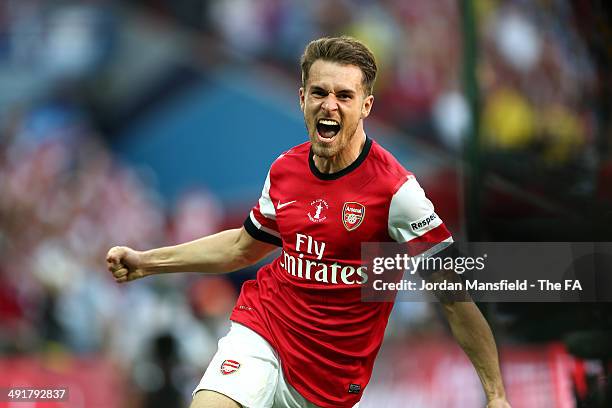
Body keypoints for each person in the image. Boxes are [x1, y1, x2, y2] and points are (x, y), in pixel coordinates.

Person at [107, 36, 511, 408]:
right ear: (302, 98)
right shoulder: (286, 169)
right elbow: (240, 248)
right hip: (262, 333)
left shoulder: (396, 192)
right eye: (318, 92)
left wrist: (495, 396)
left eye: (344, 95)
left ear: (366, 106)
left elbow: (455, 298)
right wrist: (146, 262)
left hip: (328, 382)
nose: (329, 104)